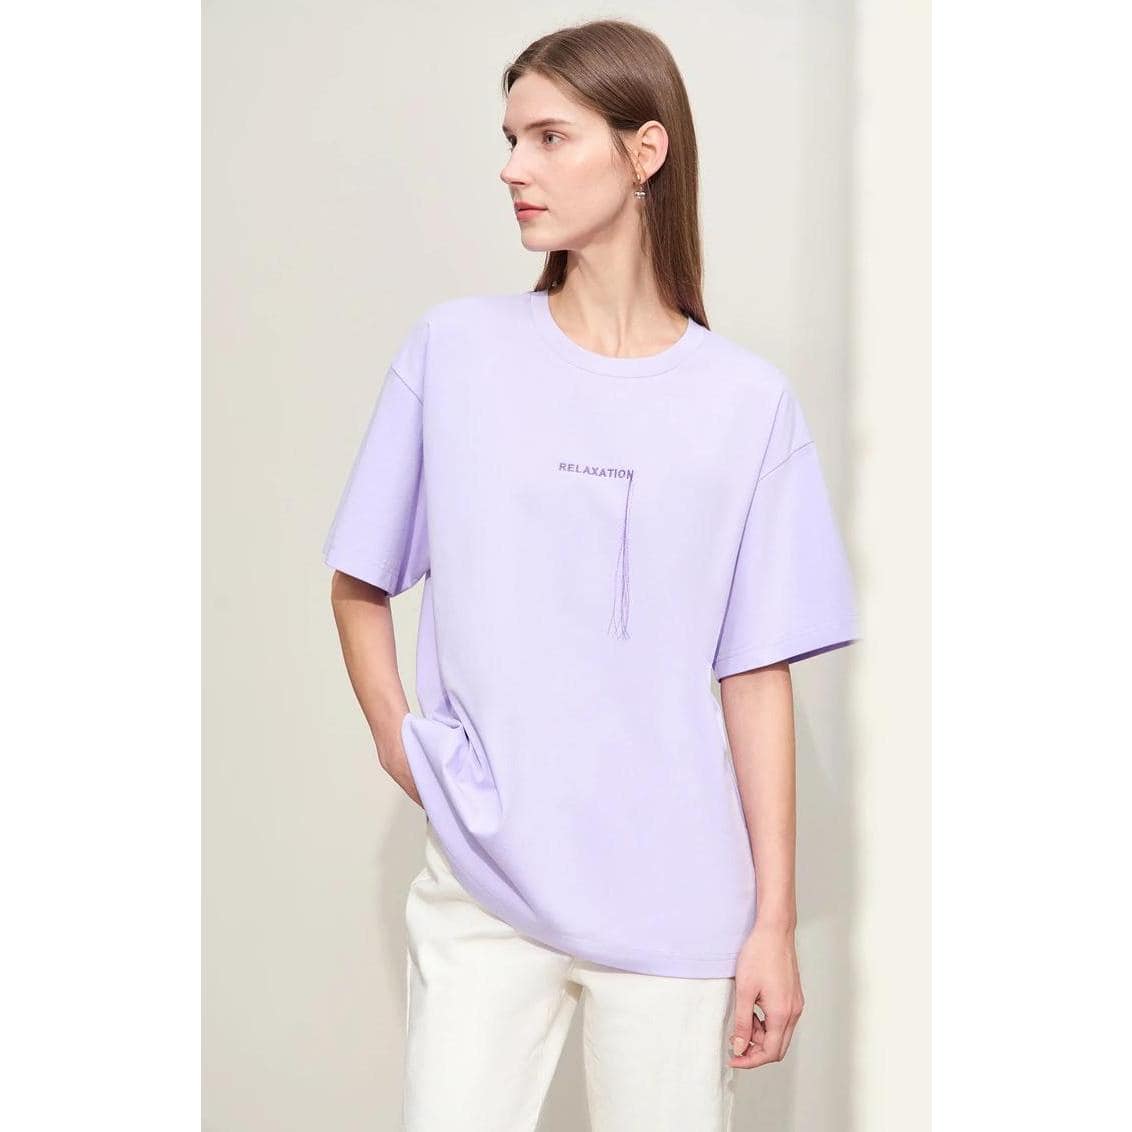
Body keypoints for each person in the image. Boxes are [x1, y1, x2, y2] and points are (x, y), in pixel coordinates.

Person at [323, 18, 859, 1132]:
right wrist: (400, 742)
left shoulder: (746, 404)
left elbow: (754, 673)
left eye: (550, 137)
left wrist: (771, 922)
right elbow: (358, 579)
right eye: (510, 139)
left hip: (678, 899)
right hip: (486, 881)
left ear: (643, 151)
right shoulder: (454, 352)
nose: (512, 167)